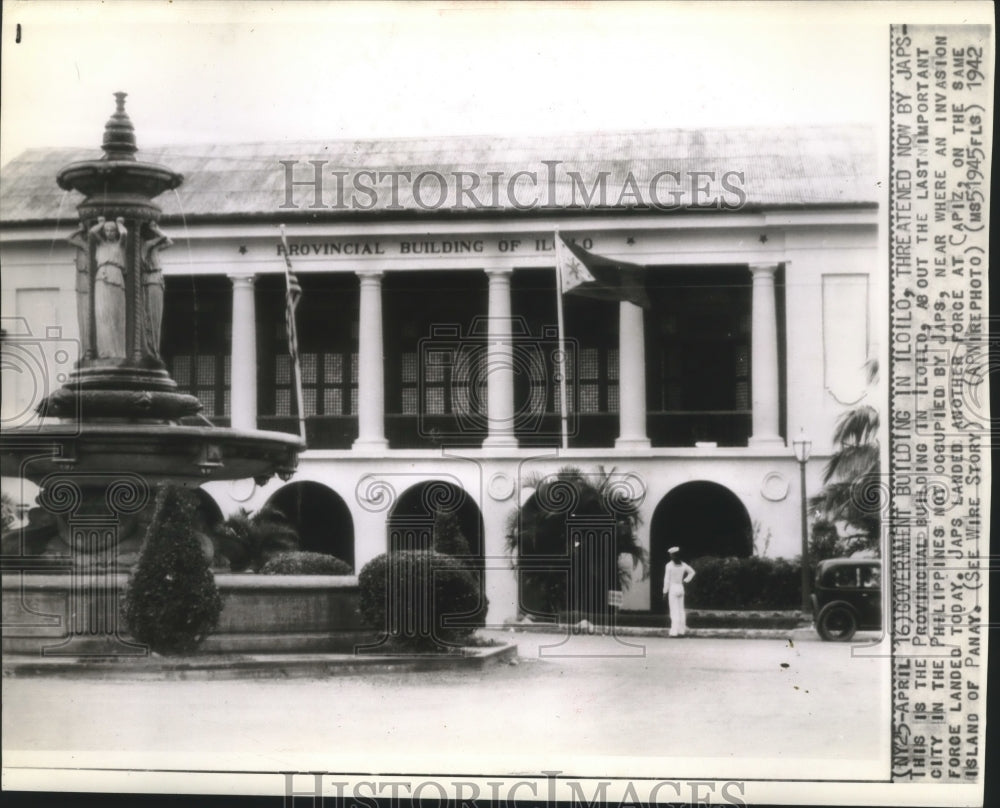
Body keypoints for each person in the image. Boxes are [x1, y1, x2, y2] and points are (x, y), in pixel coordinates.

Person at [89, 216, 128, 358]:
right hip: (102, 277)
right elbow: (92, 233)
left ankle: (118, 352)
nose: (110, 233)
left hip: (116, 276)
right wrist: (100, 224)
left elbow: (124, 234)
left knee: (116, 314)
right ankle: (105, 351)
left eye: (112, 231)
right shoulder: (100, 245)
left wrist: (119, 224)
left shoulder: (119, 245)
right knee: (102, 314)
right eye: (107, 230)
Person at [140, 221, 172, 358]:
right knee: (150, 316)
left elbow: (169, 242)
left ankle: (154, 350)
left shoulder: (154, 247)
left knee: (155, 316)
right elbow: (162, 240)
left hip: (156, 278)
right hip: (150, 279)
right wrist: (156, 232)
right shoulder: (146, 245)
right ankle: (152, 350)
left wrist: (157, 229)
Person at [662, 546, 696, 637]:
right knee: (681, 610)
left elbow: (667, 580)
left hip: (673, 588)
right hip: (681, 587)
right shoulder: (683, 564)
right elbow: (692, 572)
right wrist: (685, 581)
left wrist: (665, 591)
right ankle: (681, 631)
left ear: (673, 556)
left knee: (674, 610)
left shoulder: (669, 565)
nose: (671, 556)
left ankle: (674, 632)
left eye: (671, 555)